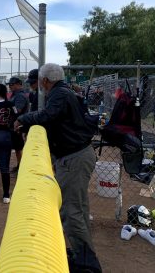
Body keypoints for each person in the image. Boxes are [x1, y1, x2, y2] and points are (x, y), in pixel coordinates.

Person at [15, 63, 102, 272]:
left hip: (75, 158)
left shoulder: (60, 94)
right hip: (75, 155)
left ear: (45, 80)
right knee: (77, 209)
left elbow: (48, 116)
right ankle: (82, 252)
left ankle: (87, 264)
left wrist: (23, 119)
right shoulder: (64, 92)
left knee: (72, 211)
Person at [7, 76, 29, 172]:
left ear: (18, 84)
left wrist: (9, 106)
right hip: (14, 124)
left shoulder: (20, 95)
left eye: (12, 84)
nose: (10, 86)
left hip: (18, 125)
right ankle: (19, 165)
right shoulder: (15, 94)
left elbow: (18, 110)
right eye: (9, 85)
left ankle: (21, 167)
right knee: (17, 148)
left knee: (18, 147)